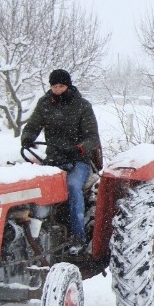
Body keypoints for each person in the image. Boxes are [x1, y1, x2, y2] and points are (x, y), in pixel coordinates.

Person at [21, 69, 101, 254]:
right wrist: (28, 136)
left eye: (61, 86)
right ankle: (35, 232)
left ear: (68, 85)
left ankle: (78, 237)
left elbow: (92, 137)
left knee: (73, 187)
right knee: (36, 188)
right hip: (53, 159)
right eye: (54, 86)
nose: (58, 89)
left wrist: (80, 148)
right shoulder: (45, 104)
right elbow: (33, 125)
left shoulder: (82, 106)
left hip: (77, 161)